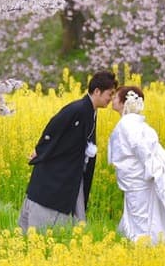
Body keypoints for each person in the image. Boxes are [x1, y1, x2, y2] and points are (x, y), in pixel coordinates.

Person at [18, 70, 118, 232]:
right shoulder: (77, 109)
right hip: (59, 171)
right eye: (110, 94)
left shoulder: (90, 111)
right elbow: (53, 127)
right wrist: (40, 150)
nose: (111, 98)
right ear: (97, 91)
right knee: (49, 207)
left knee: (71, 206)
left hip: (72, 170)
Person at [107, 84, 165, 245]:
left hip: (137, 179)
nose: (113, 99)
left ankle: (143, 247)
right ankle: (146, 245)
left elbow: (140, 147)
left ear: (124, 101)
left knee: (139, 218)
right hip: (135, 178)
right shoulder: (136, 123)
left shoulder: (128, 123)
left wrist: (150, 166)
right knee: (140, 215)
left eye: (116, 96)